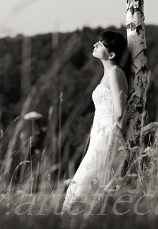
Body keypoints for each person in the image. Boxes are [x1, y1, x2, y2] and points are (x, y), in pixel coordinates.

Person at [62, 31, 130, 215]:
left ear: (112, 54)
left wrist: (112, 138)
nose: (95, 45)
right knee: (85, 183)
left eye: (100, 44)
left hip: (108, 136)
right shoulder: (107, 74)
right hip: (98, 135)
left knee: (84, 183)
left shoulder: (115, 73)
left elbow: (120, 111)